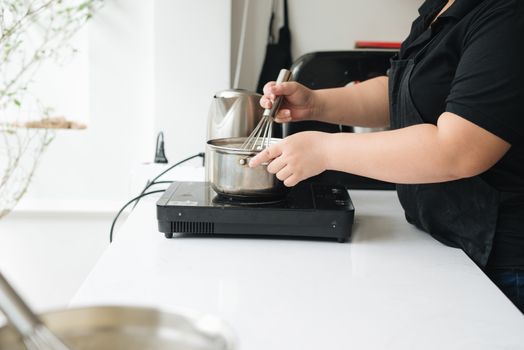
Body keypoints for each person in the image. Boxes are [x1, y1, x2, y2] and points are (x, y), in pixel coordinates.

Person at [249, 0, 524, 312]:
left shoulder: (508, 16)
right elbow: (401, 90)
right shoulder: (441, 8)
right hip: (449, 245)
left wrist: (323, 149)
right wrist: (315, 104)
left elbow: (459, 149)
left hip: (504, 269)